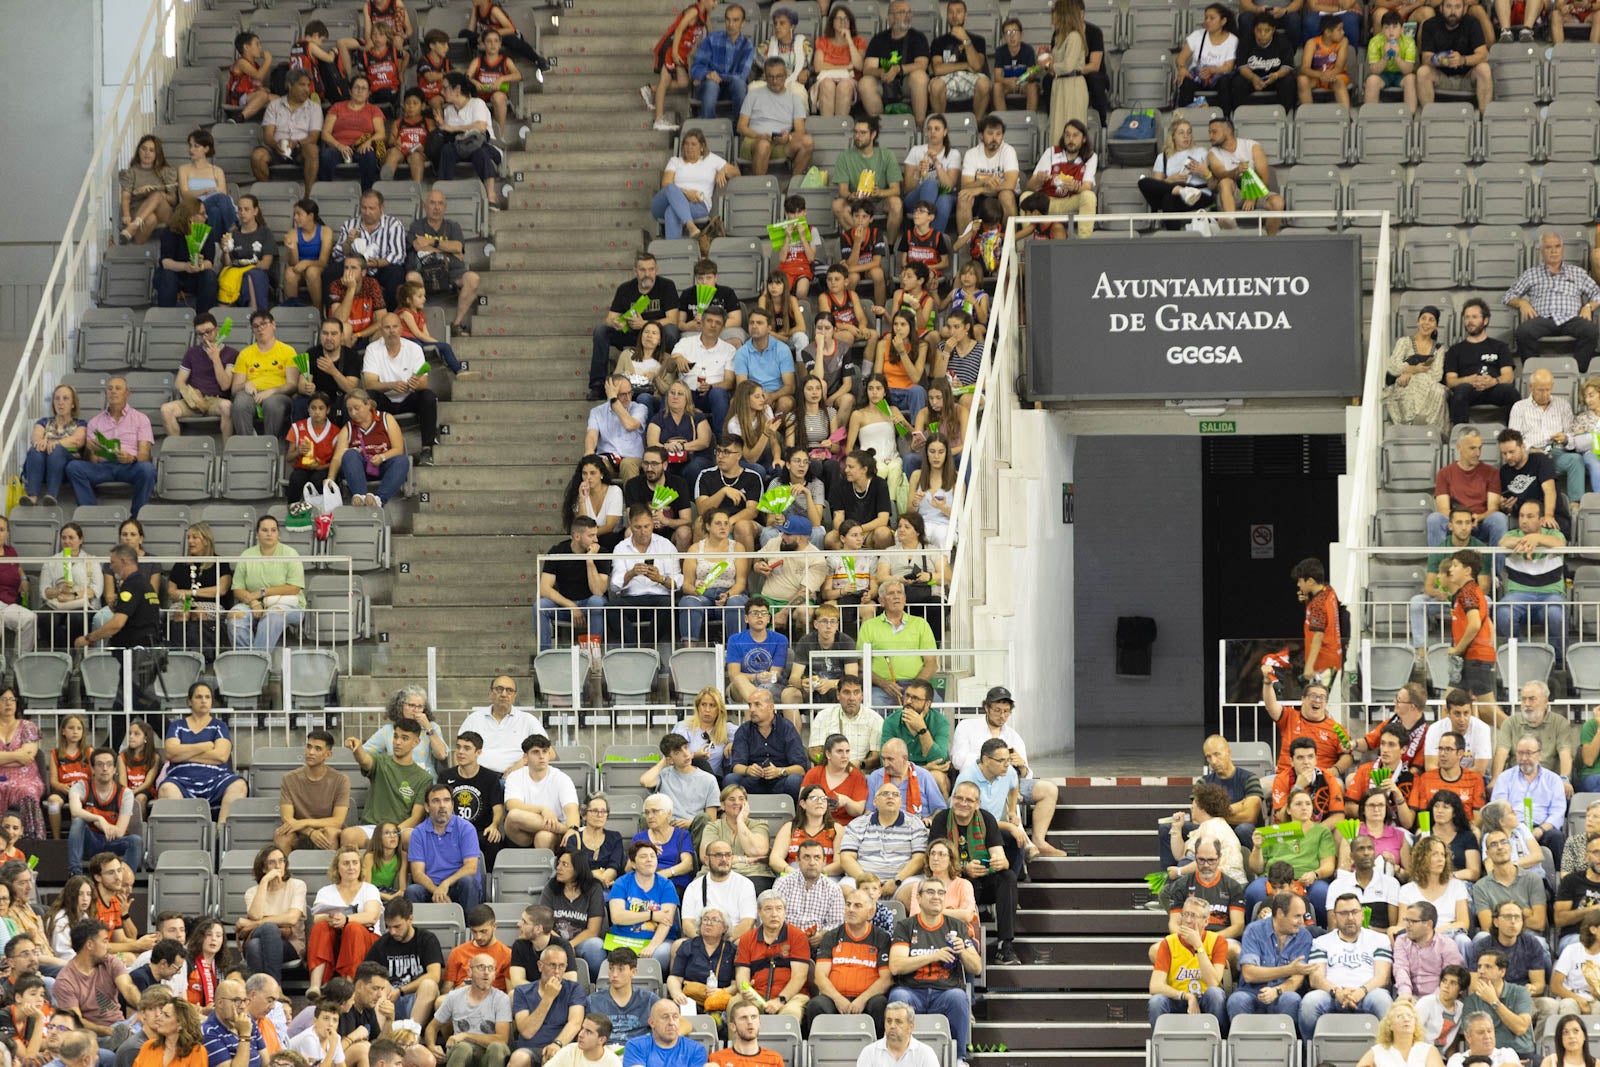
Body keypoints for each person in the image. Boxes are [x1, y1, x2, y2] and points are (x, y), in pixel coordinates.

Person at [156, 684, 247, 822]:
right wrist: (206, 745)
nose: (203, 700)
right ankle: (186, 838)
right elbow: (171, 753)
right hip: (181, 782)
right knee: (167, 789)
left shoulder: (219, 726)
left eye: (207, 697)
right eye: (198, 697)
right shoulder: (177, 726)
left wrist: (185, 754)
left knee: (239, 785)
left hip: (217, 781)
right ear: (189, 701)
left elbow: (221, 756)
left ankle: (221, 836)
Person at [66, 379, 156, 518]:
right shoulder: (95, 422)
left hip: (129, 466)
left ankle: (137, 517)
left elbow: (144, 454)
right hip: (103, 466)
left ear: (127, 393)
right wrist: (91, 449)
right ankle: (90, 515)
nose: (113, 391)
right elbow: (93, 461)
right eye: (110, 388)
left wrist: (131, 458)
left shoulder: (141, 419)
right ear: (105, 393)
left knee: (147, 469)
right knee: (74, 467)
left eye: (118, 388)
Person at [342, 717, 431, 851]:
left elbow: (416, 817)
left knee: (412, 837)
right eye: (395, 737)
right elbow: (365, 760)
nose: (398, 742)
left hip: (400, 829)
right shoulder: (380, 762)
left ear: (416, 742)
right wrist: (357, 748)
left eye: (404, 738)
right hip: (371, 827)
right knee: (348, 835)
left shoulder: (424, 777)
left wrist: (391, 834)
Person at [305, 849, 383, 995]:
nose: (351, 867)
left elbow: (371, 917)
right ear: (337, 867)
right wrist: (332, 918)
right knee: (321, 927)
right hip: (336, 939)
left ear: (360, 866)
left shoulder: (369, 889)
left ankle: (348, 987)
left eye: (355, 863)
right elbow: (317, 917)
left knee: (352, 927)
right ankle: (316, 986)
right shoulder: (326, 891)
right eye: (346, 863)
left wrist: (346, 920)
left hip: (366, 939)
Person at [839, 782, 927, 907]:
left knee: (915, 891)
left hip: (901, 882)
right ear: (875, 801)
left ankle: (908, 927)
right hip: (863, 880)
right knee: (843, 891)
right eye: (885, 794)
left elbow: (919, 859)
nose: (890, 797)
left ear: (900, 802)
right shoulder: (857, 824)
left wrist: (896, 881)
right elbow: (846, 858)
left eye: (895, 795)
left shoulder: (915, 824)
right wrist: (867, 882)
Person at [55, 921, 139, 1051]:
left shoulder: (110, 962)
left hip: (123, 1025)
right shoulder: (65, 981)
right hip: (95, 1035)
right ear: (89, 945)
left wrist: (146, 1009)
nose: (109, 947)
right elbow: (76, 1022)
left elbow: (128, 988)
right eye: (104, 941)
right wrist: (108, 1031)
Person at [1147, 895, 1228, 1028]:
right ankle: (1161, 1045)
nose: (1188, 920)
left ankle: (1219, 1042)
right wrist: (1187, 996)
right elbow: (1155, 986)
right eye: (1185, 915)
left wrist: (1198, 946)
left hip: (1205, 999)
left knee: (1215, 993)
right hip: (1178, 998)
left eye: (1194, 916)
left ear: (1206, 921)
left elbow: (1213, 982)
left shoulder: (1217, 941)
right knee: (1156, 1001)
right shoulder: (1168, 943)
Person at [732, 891, 811, 1022]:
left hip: (792, 996)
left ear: (785, 912)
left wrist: (781, 1000)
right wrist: (745, 990)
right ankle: (738, 1043)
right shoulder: (747, 939)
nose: (774, 914)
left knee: (790, 1014)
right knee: (736, 1005)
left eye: (779, 909)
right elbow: (741, 974)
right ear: (759, 912)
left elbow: (800, 976)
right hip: (757, 995)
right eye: (768, 909)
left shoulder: (797, 936)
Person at [363, 899, 442, 1025]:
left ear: (410, 919)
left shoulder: (427, 939)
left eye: (397, 926)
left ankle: (411, 1035)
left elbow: (434, 975)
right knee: (380, 984)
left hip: (417, 998)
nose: (393, 932)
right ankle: (383, 1037)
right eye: (389, 927)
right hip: (390, 998)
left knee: (429, 985)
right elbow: (365, 974)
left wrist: (401, 990)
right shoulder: (382, 944)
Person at [1490, 735, 1569, 861]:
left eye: (1528, 753)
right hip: (1513, 828)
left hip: (1542, 828)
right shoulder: (1504, 778)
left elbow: (1558, 812)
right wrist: (1515, 828)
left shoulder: (1553, 780)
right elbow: (1498, 809)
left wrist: (1541, 829)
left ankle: (1559, 878)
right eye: (1520, 753)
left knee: (1557, 837)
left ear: (1539, 755)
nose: (1524, 758)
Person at [405, 784, 482, 912]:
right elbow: (417, 873)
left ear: (452, 805)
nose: (442, 805)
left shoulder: (466, 828)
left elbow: (471, 867)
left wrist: (445, 884)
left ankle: (470, 930)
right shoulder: (418, 833)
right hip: (431, 888)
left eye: (446, 800)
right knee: (412, 891)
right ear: (427, 807)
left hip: (457, 886)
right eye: (436, 801)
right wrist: (437, 890)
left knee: (468, 882)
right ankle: (418, 932)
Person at [423, 953, 510, 1067]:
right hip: (462, 1052)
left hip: (489, 1054)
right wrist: (431, 1046)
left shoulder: (501, 999)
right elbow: (432, 1027)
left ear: (494, 974)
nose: (486, 972)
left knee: (497, 1047)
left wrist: (466, 1035)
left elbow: (502, 1039)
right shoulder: (455, 996)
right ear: (469, 972)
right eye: (481, 967)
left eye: (491, 968)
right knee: (463, 1047)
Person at [66, 749, 142, 878]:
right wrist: (99, 819)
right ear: (93, 768)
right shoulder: (81, 786)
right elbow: (75, 811)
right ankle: (75, 873)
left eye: (109, 764)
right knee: (78, 821)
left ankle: (125, 881)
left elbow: (119, 832)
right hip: (90, 842)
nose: (105, 768)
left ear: (114, 769)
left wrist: (92, 819)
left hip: (113, 843)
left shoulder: (125, 793)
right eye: (100, 764)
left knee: (135, 841)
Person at [1206, 116, 1285, 236]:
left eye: (1214, 132)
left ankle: (1270, 240)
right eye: (1209, 132)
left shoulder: (1252, 146)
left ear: (1228, 131)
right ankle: (1231, 225)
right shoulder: (1213, 153)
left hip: (1255, 190)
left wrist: (1252, 196)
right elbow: (1220, 175)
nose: (1210, 137)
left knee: (1278, 202)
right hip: (1232, 193)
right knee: (1225, 182)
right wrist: (1236, 171)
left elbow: (1265, 179)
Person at [507, 945, 584, 1067]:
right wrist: (548, 997)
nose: (557, 971)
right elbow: (527, 1032)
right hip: (529, 1049)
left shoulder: (574, 989)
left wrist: (557, 1044)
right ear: (540, 966)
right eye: (552, 965)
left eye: (562, 966)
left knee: (554, 1059)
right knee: (519, 1058)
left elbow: (575, 1023)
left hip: (561, 1048)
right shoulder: (522, 991)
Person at [276, 731, 351, 855]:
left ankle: (328, 874)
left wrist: (304, 822)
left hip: (325, 832)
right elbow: (287, 818)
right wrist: (310, 831)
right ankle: (285, 873)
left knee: (330, 834)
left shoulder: (341, 780)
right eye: (309, 746)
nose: (311, 752)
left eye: (317, 749)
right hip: (300, 833)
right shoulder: (289, 779)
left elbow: (337, 821)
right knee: (281, 835)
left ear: (328, 754)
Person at [607, 844, 679, 971]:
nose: (649, 860)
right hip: (624, 940)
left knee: (660, 954)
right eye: (643, 857)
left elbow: (666, 921)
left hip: (657, 941)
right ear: (633, 864)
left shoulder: (666, 885)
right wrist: (652, 915)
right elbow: (617, 917)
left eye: (652, 856)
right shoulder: (621, 883)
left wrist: (652, 946)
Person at [727, 690, 807, 803]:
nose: (751, 710)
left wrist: (780, 771)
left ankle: (796, 819)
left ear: (771, 707)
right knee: (731, 779)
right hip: (752, 781)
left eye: (757, 704)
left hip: (780, 780)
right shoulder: (744, 730)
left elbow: (801, 768)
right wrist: (748, 770)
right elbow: (736, 766)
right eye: (750, 705)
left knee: (795, 781)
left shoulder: (787, 728)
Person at [503, 735, 580, 851]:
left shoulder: (561, 778)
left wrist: (572, 828)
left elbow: (572, 809)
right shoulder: (515, 777)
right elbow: (512, 805)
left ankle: (564, 831)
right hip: (522, 833)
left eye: (545, 752)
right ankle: (563, 828)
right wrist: (542, 810)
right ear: (525, 758)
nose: (541, 756)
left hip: (553, 835)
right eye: (535, 752)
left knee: (543, 837)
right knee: (513, 816)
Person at [252, 70, 323, 192]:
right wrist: (276, 144)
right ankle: (268, 193)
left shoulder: (314, 108)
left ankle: (308, 196)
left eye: (308, 85)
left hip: (301, 148)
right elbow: (268, 135)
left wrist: (296, 143)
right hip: (277, 147)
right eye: (302, 85)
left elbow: (314, 137)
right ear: (290, 85)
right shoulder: (274, 105)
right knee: (257, 156)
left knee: (312, 150)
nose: (307, 89)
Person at [1459, 949, 1535, 1059]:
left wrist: (1494, 1001)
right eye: (1479, 966)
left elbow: (1520, 1028)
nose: (1481, 971)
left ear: (1502, 971)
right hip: (1486, 1057)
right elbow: (1470, 1037)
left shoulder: (1520, 993)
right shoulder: (1471, 1000)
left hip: (1521, 1053)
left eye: (1488, 967)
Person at [1418, 0, 1493, 110]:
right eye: (1448, 6)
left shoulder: (1472, 23)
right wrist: (1442, 60)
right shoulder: (1430, 25)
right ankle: (1429, 118)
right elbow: (1425, 59)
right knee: (1422, 72)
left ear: (1464, 9)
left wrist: (1463, 60)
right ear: (1441, 8)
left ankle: (1485, 118)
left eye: (1457, 7)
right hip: (1441, 78)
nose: (1453, 11)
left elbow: (1483, 55)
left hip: (1467, 78)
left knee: (1484, 69)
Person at [587, 949, 658, 1045]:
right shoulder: (593, 1001)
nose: (614, 974)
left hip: (639, 1053)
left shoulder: (649, 1000)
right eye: (611, 968)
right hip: (604, 1053)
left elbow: (681, 1023)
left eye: (621, 969)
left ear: (633, 972)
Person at [621, 999, 703, 1067]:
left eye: (675, 1017)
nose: (671, 1022)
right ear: (652, 1023)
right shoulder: (635, 1046)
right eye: (665, 1017)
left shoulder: (696, 1050)